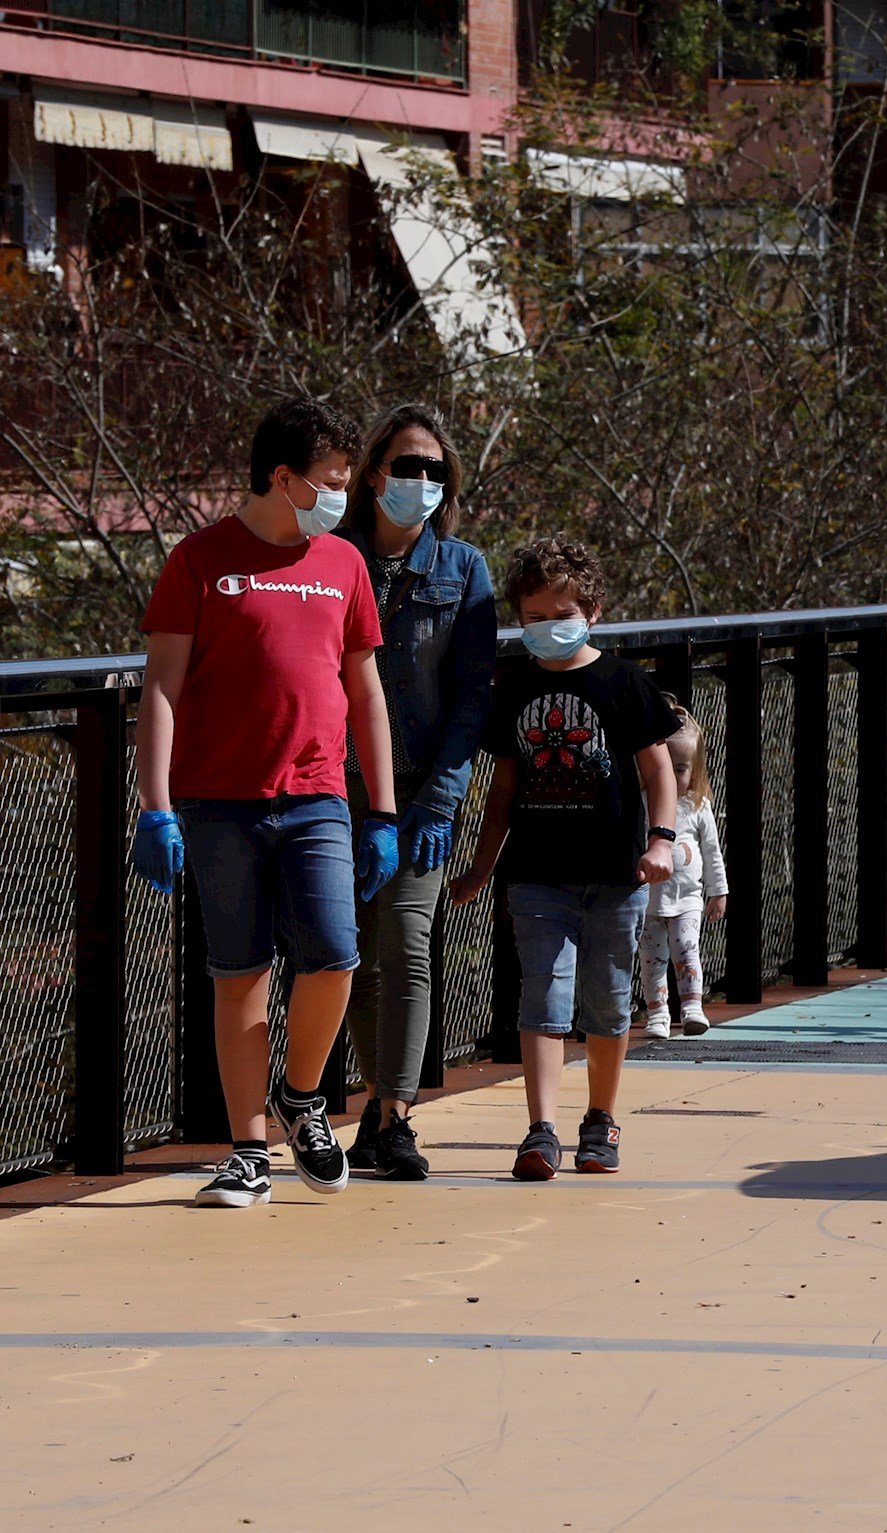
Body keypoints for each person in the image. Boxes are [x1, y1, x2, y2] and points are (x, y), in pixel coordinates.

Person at [133, 397, 400, 1209]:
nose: (340, 496)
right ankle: (247, 1146)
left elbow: (366, 689)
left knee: (335, 952)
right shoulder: (199, 559)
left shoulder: (344, 563)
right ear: (281, 478)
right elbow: (162, 685)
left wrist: (382, 811)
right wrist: (156, 805)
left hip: (316, 793)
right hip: (218, 801)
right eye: (327, 481)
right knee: (238, 970)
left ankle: (302, 1095)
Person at [448, 534, 678, 1181]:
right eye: (535, 618)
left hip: (614, 872)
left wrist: (661, 838)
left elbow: (658, 769)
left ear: (592, 610)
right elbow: (503, 789)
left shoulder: (623, 681)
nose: (550, 628)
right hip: (537, 874)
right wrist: (481, 866)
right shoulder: (514, 685)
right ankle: (540, 1127)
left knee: (606, 1003)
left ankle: (600, 1120)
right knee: (542, 998)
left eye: (562, 614)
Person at [339, 404, 497, 1181]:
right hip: (336, 791)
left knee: (405, 943)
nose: (422, 481)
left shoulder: (464, 569)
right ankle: (373, 1104)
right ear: (374, 473)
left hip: (422, 790)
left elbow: (474, 695)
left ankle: (396, 1116)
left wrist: (441, 801)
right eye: (408, 465)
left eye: (436, 470)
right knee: (351, 957)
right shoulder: (327, 559)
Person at [639, 701, 729, 1040]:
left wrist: (718, 891)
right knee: (653, 960)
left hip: (687, 898)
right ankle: (658, 1012)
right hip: (649, 901)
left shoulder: (697, 806)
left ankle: (692, 1006)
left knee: (687, 949)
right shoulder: (644, 802)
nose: (675, 777)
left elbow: (711, 851)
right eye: (667, 767)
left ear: (694, 769)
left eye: (681, 768)